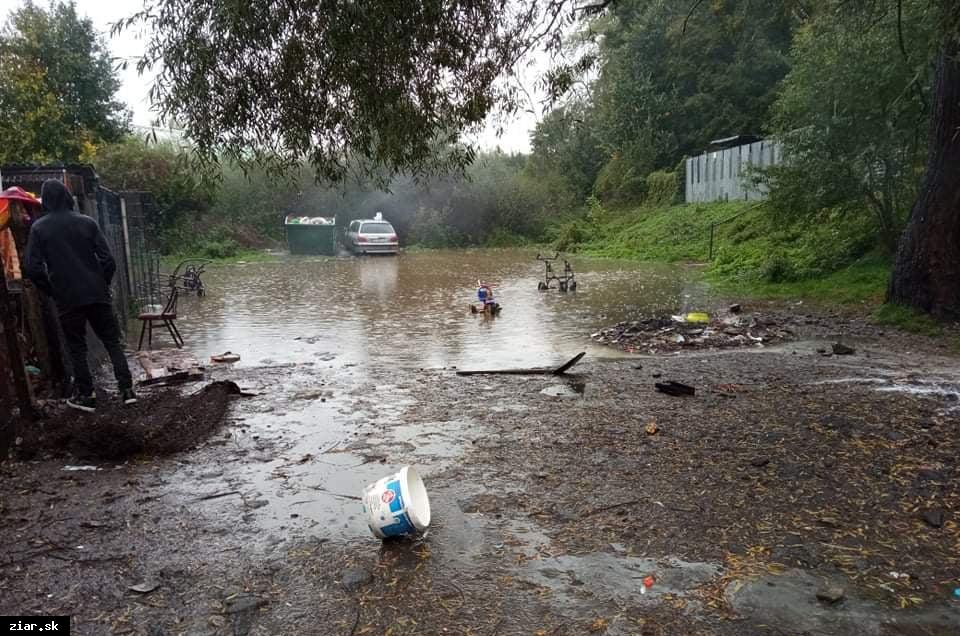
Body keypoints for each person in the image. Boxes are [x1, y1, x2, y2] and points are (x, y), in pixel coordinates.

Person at [23, 180, 137, 412]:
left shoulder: (39, 228)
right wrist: (101, 284)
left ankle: (87, 396)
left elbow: (33, 268)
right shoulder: (87, 223)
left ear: (45, 200)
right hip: (97, 294)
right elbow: (108, 261)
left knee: (77, 348)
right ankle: (127, 391)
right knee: (112, 343)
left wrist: (52, 291)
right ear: (67, 196)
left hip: (67, 298)